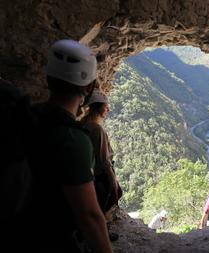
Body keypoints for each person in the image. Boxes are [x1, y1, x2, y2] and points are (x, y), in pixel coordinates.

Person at [23, 40, 113, 253]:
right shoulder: (73, 139)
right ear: (89, 88)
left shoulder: (25, 116)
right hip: (50, 237)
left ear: (48, 79)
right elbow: (89, 216)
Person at [81, 90, 122, 241]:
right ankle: (101, 233)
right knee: (106, 200)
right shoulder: (97, 129)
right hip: (100, 174)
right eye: (106, 106)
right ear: (99, 108)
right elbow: (104, 159)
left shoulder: (83, 124)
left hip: (89, 173)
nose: (108, 109)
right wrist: (113, 179)